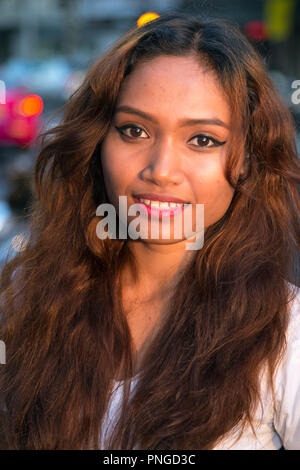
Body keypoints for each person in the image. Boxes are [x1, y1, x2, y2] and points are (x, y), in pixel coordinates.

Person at [0, 12, 300, 450]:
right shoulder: (28, 298)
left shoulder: (285, 331)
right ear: (97, 140)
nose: (161, 171)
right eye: (134, 130)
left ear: (249, 158)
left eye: (202, 139)